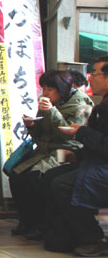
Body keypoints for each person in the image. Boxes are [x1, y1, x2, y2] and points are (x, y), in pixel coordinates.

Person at [9, 70, 93, 239]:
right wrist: (32, 125)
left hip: (66, 150)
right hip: (44, 150)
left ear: (62, 89)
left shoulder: (81, 104)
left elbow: (69, 134)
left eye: (49, 89)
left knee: (36, 177)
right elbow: (40, 134)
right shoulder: (49, 103)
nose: (45, 94)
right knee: (16, 175)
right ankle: (27, 221)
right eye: (43, 89)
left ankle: (41, 225)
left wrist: (52, 112)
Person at [50, 99, 108, 257]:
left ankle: (93, 239)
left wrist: (81, 131)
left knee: (63, 185)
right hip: (98, 163)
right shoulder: (102, 105)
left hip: (102, 167)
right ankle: (63, 236)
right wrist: (78, 155)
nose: (92, 78)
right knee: (50, 176)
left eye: (95, 73)